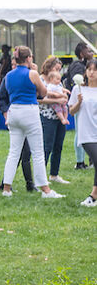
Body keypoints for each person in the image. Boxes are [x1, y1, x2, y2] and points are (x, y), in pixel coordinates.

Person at [1, 46, 64, 199]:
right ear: (29, 58)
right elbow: (42, 93)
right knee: (37, 152)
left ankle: (6, 188)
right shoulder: (32, 73)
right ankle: (45, 190)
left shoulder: (8, 75)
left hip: (13, 111)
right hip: (29, 110)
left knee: (13, 152)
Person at [0, 69, 35, 193]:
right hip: (15, 117)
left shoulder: (29, 75)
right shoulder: (8, 78)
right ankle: (23, 184)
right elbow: (1, 100)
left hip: (27, 117)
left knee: (22, 153)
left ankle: (7, 183)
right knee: (20, 152)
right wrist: (6, 114)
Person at [69, 60, 97, 207]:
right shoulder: (78, 89)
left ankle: (93, 196)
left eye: (95, 70)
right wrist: (79, 103)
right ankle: (93, 196)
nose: (92, 72)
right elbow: (71, 111)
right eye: (89, 69)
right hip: (86, 134)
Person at [39, 60, 71, 185]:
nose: (58, 72)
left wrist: (64, 98)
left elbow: (63, 92)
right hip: (47, 116)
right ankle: (41, 176)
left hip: (60, 117)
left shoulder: (57, 80)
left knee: (58, 146)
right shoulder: (40, 80)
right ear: (49, 67)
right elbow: (40, 99)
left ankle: (54, 174)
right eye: (56, 69)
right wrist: (58, 99)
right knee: (47, 146)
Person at [66, 43, 94, 170]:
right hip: (81, 102)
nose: (91, 52)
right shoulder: (78, 66)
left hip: (89, 103)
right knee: (80, 131)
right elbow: (77, 83)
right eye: (88, 51)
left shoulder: (85, 64)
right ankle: (80, 161)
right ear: (82, 54)